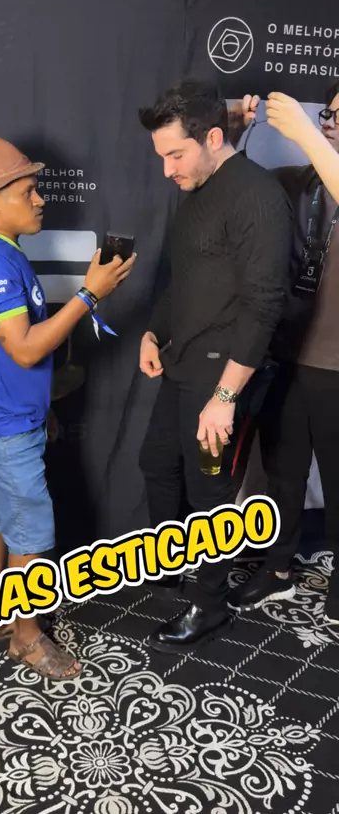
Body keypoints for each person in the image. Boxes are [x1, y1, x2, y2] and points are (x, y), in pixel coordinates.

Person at [0, 136, 135, 678]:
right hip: (2, 426)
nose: (40, 199)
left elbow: (5, 352)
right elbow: (26, 348)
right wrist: (89, 294)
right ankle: (26, 637)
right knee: (29, 533)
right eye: (28, 191)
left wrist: (41, 403)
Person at [138, 79, 293, 652]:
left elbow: (264, 304)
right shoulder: (197, 187)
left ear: (210, 138)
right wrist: (153, 331)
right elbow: (184, 279)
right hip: (182, 360)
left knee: (209, 494)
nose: (168, 170)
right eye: (161, 157)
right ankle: (172, 568)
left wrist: (225, 398)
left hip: (222, 374)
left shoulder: (256, 194)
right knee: (156, 461)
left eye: (175, 155)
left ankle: (209, 606)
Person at [228, 84, 339, 625]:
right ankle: (277, 569)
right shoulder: (298, 182)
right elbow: (231, 188)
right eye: (331, 114)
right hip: (288, 352)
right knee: (282, 473)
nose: (332, 122)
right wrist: (232, 132)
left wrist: (304, 134)